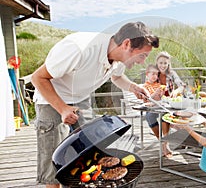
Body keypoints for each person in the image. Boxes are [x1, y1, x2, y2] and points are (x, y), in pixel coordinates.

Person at [31, 21, 159, 188]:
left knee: (87, 154)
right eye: (142, 56)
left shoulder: (118, 57)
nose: (142, 62)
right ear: (127, 44)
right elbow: (38, 78)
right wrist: (62, 108)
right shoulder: (79, 49)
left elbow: (117, 77)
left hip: (80, 100)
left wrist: (134, 87)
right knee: (54, 166)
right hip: (51, 100)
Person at [145, 51, 186, 158]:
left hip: (169, 104)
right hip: (157, 104)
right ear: (157, 63)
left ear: (168, 64)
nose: (163, 65)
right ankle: (162, 141)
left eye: (165, 63)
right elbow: (148, 88)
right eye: (161, 63)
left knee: (165, 117)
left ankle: (166, 144)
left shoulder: (172, 73)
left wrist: (177, 91)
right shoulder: (154, 73)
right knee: (149, 116)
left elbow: (181, 85)